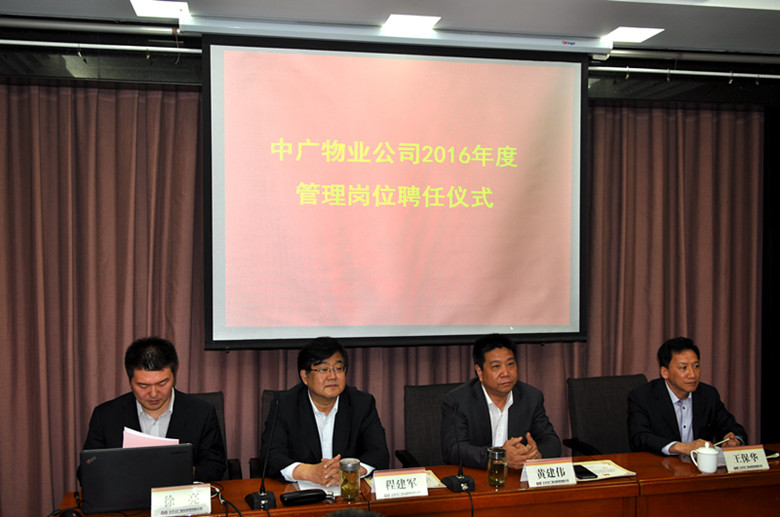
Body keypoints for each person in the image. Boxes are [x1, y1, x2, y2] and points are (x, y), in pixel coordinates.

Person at [81, 337, 227, 482]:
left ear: (174, 376)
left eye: (162, 383)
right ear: (130, 381)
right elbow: (87, 467)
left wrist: (187, 472)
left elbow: (215, 465)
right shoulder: (106, 416)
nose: (153, 394)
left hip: (181, 493)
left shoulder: (201, 412)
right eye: (143, 386)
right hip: (128, 494)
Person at [261, 337, 389, 486]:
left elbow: (379, 453)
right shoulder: (284, 405)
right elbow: (271, 456)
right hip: (300, 492)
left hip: (348, 492)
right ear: (305, 376)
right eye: (323, 369)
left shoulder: (362, 403)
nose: (332, 376)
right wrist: (308, 472)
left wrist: (351, 471)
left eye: (338, 368)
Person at [440, 333, 561, 470]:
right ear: (479, 371)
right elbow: (453, 450)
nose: (506, 373)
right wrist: (499, 457)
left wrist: (535, 454)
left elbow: (552, 441)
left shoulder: (531, 397)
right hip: (477, 475)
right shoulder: (458, 401)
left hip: (517, 476)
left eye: (510, 364)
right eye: (496, 366)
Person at [628, 336, 747, 456]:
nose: (692, 375)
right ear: (665, 372)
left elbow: (732, 427)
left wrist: (734, 439)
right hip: (660, 464)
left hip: (699, 466)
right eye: (683, 368)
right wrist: (679, 447)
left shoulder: (708, 395)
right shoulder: (643, 397)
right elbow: (639, 438)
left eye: (696, 366)